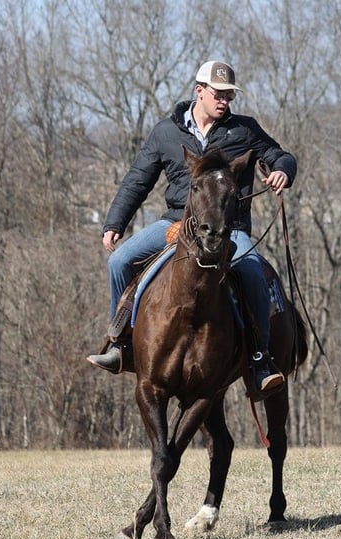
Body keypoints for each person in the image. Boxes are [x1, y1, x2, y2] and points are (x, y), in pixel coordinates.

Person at [87, 60, 297, 393]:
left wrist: (283, 170)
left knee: (254, 273)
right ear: (199, 91)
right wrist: (115, 223)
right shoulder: (166, 132)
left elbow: (279, 154)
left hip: (228, 228)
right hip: (175, 222)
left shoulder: (244, 130)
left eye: (229, 95)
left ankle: (260, 359)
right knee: (119, 261)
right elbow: (137, 180)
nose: (225, 101)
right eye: (218, 94)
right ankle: (121, 344)